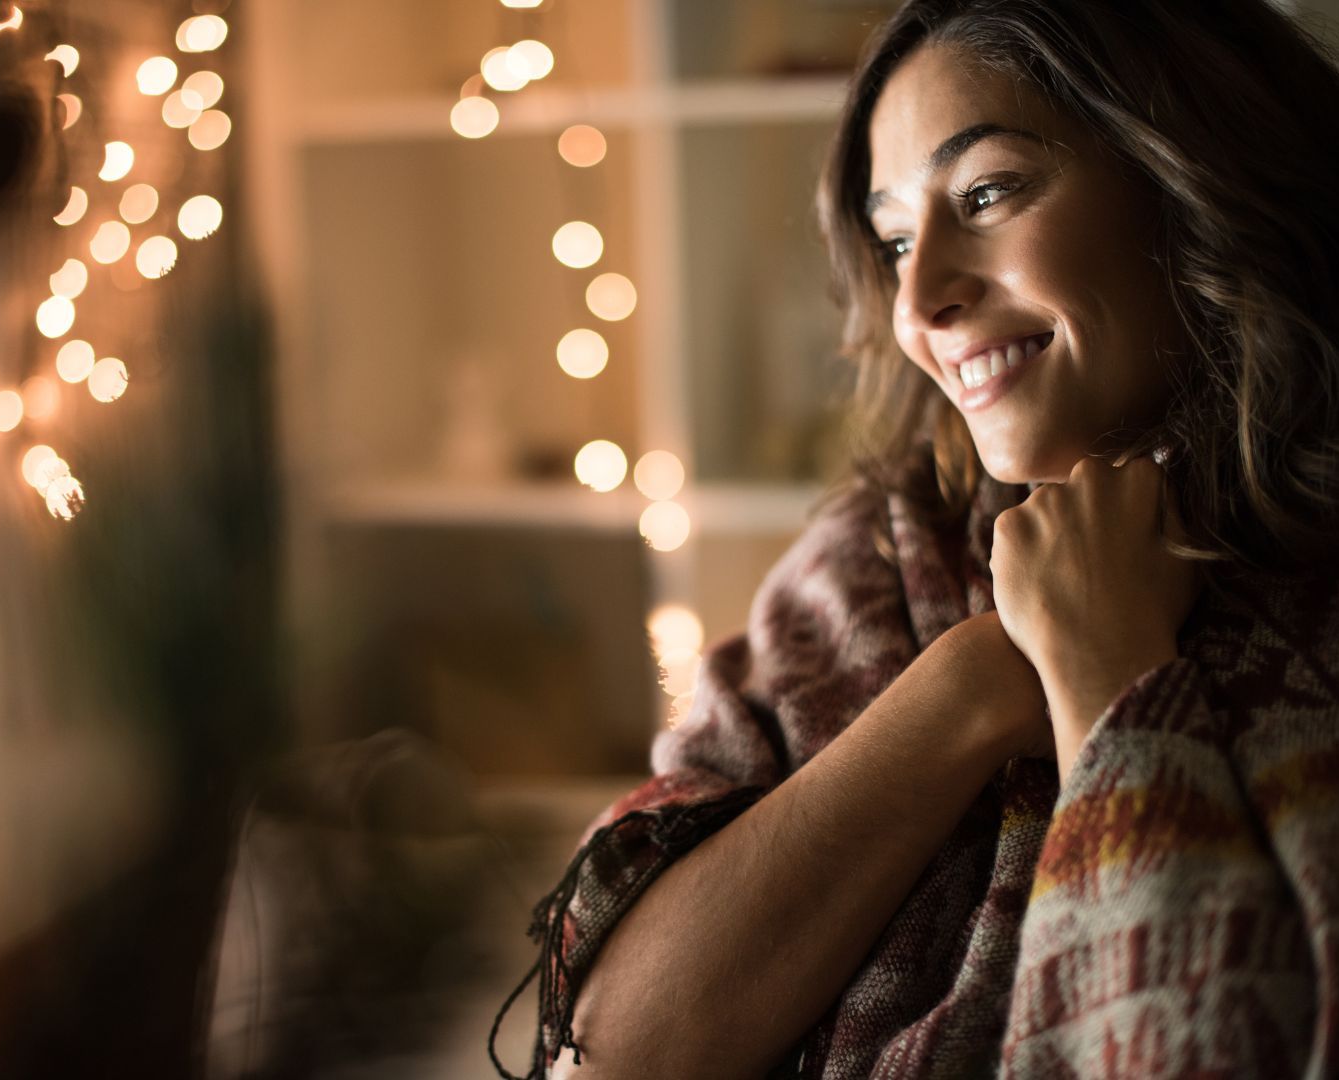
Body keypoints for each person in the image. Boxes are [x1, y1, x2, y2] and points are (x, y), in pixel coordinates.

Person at [488, 1, 1339, 1076]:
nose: (920, 300)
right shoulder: (879, 566)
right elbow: (605, 1055)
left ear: (1188, 177)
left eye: (986, 192)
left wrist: (1105, 670)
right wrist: (973, 682)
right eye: (893, 240)